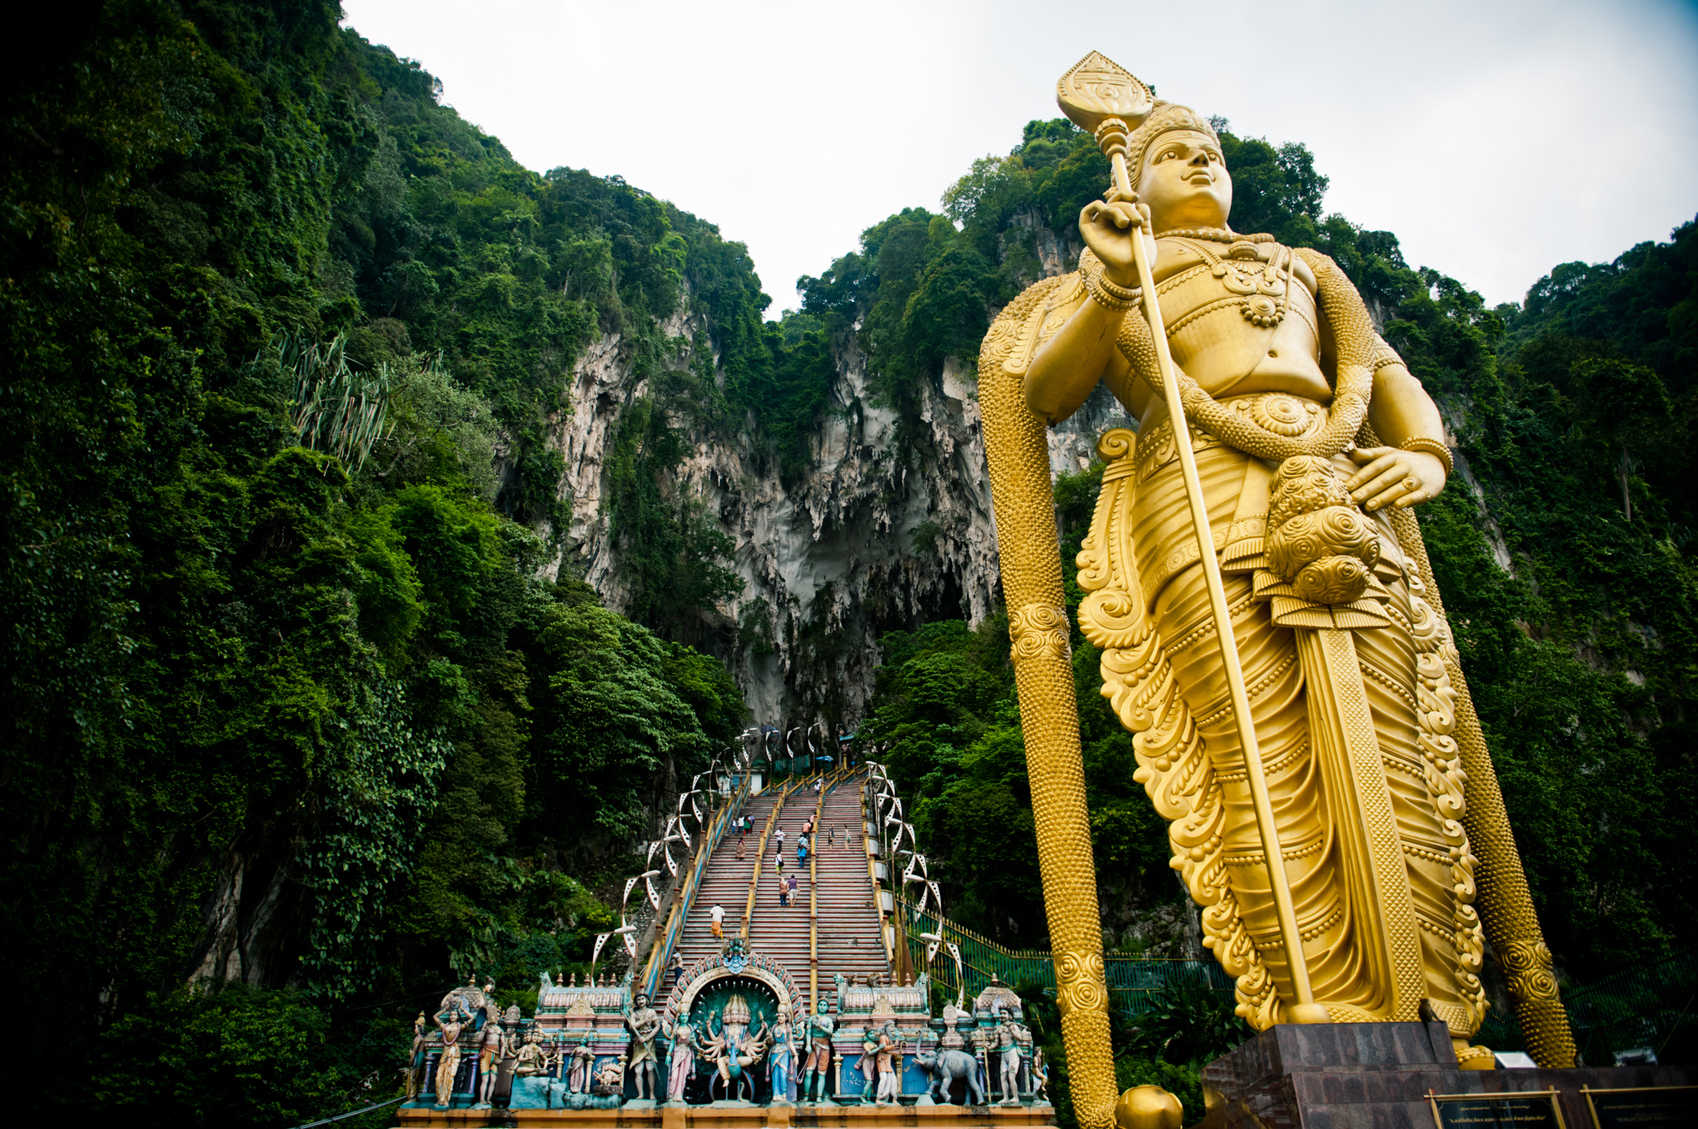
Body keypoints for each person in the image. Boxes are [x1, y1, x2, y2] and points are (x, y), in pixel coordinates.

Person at [1004, 92, 1491, 1057]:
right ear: (1130, 177)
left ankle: (1435, 1005)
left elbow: (1386, 376)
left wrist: (1428, 452)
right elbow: (1045, 392)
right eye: (1173, 151)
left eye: (1210, 151)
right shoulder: (1117, 271)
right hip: (1200, 495)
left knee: (1400, 751)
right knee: (1258, 753)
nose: (1199, 163)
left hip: (1337, 479)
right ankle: (1309, 1000)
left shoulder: (1308, 268)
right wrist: (1107, 283)